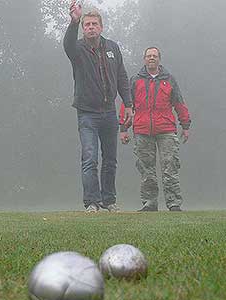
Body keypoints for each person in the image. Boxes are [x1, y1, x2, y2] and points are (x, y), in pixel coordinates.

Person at [63, 1, 133, 212]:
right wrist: (74, 22)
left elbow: (121, 76)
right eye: (87, 24)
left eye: (94, 24)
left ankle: (109, 201)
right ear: (83, 28)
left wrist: (128, 104)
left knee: (110, 160)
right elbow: (67, 44)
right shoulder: (78, 49)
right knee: (90, 158)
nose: (91, 27)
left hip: (110, 112)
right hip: (87, 114)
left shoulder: (112, 47)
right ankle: (91, 203)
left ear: (101, 27)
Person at [119, 47, 191, 211]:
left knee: (170, 167)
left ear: (159, 59)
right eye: (148, 56)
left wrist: (185, 126)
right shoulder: (135, 80)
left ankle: (173, 204)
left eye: (154, 56)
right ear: (144, 59)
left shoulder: (169, 79)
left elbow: (179, 103)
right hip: (142, 130)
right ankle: (149, 203)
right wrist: (123, 128)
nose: (151, 58)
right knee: (146, 169)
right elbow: (127, 106)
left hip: (166, 129)